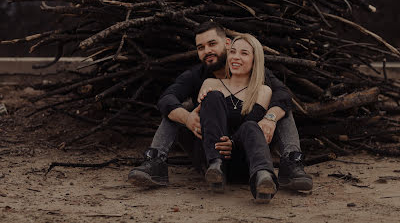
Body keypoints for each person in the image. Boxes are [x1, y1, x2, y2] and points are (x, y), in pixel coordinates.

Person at [128, 21, 312, 191]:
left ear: (227, 44)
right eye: (201, 47)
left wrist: (270, 119)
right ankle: (155, 161)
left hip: (247, 145)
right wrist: (187, 117)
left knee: (280, 109)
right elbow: (166, 99)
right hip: (207, 146)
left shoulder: (258, 74)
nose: (207, 51)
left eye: (212, 44)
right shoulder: (197, 77)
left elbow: (283, 96)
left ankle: (292, 163)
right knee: (177, 108)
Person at [199, 33, 278, 203]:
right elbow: (204, 121)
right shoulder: (210, 84)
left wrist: (232, 143)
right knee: (212, 97)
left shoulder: (263, 91)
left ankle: (263, 178)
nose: (236, 57)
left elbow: (251, 130)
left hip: (246, 161)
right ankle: (216, 166)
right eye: (233, 52)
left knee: (251, 126)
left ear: (255, 59)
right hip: (213, 156)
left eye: (244, 53)